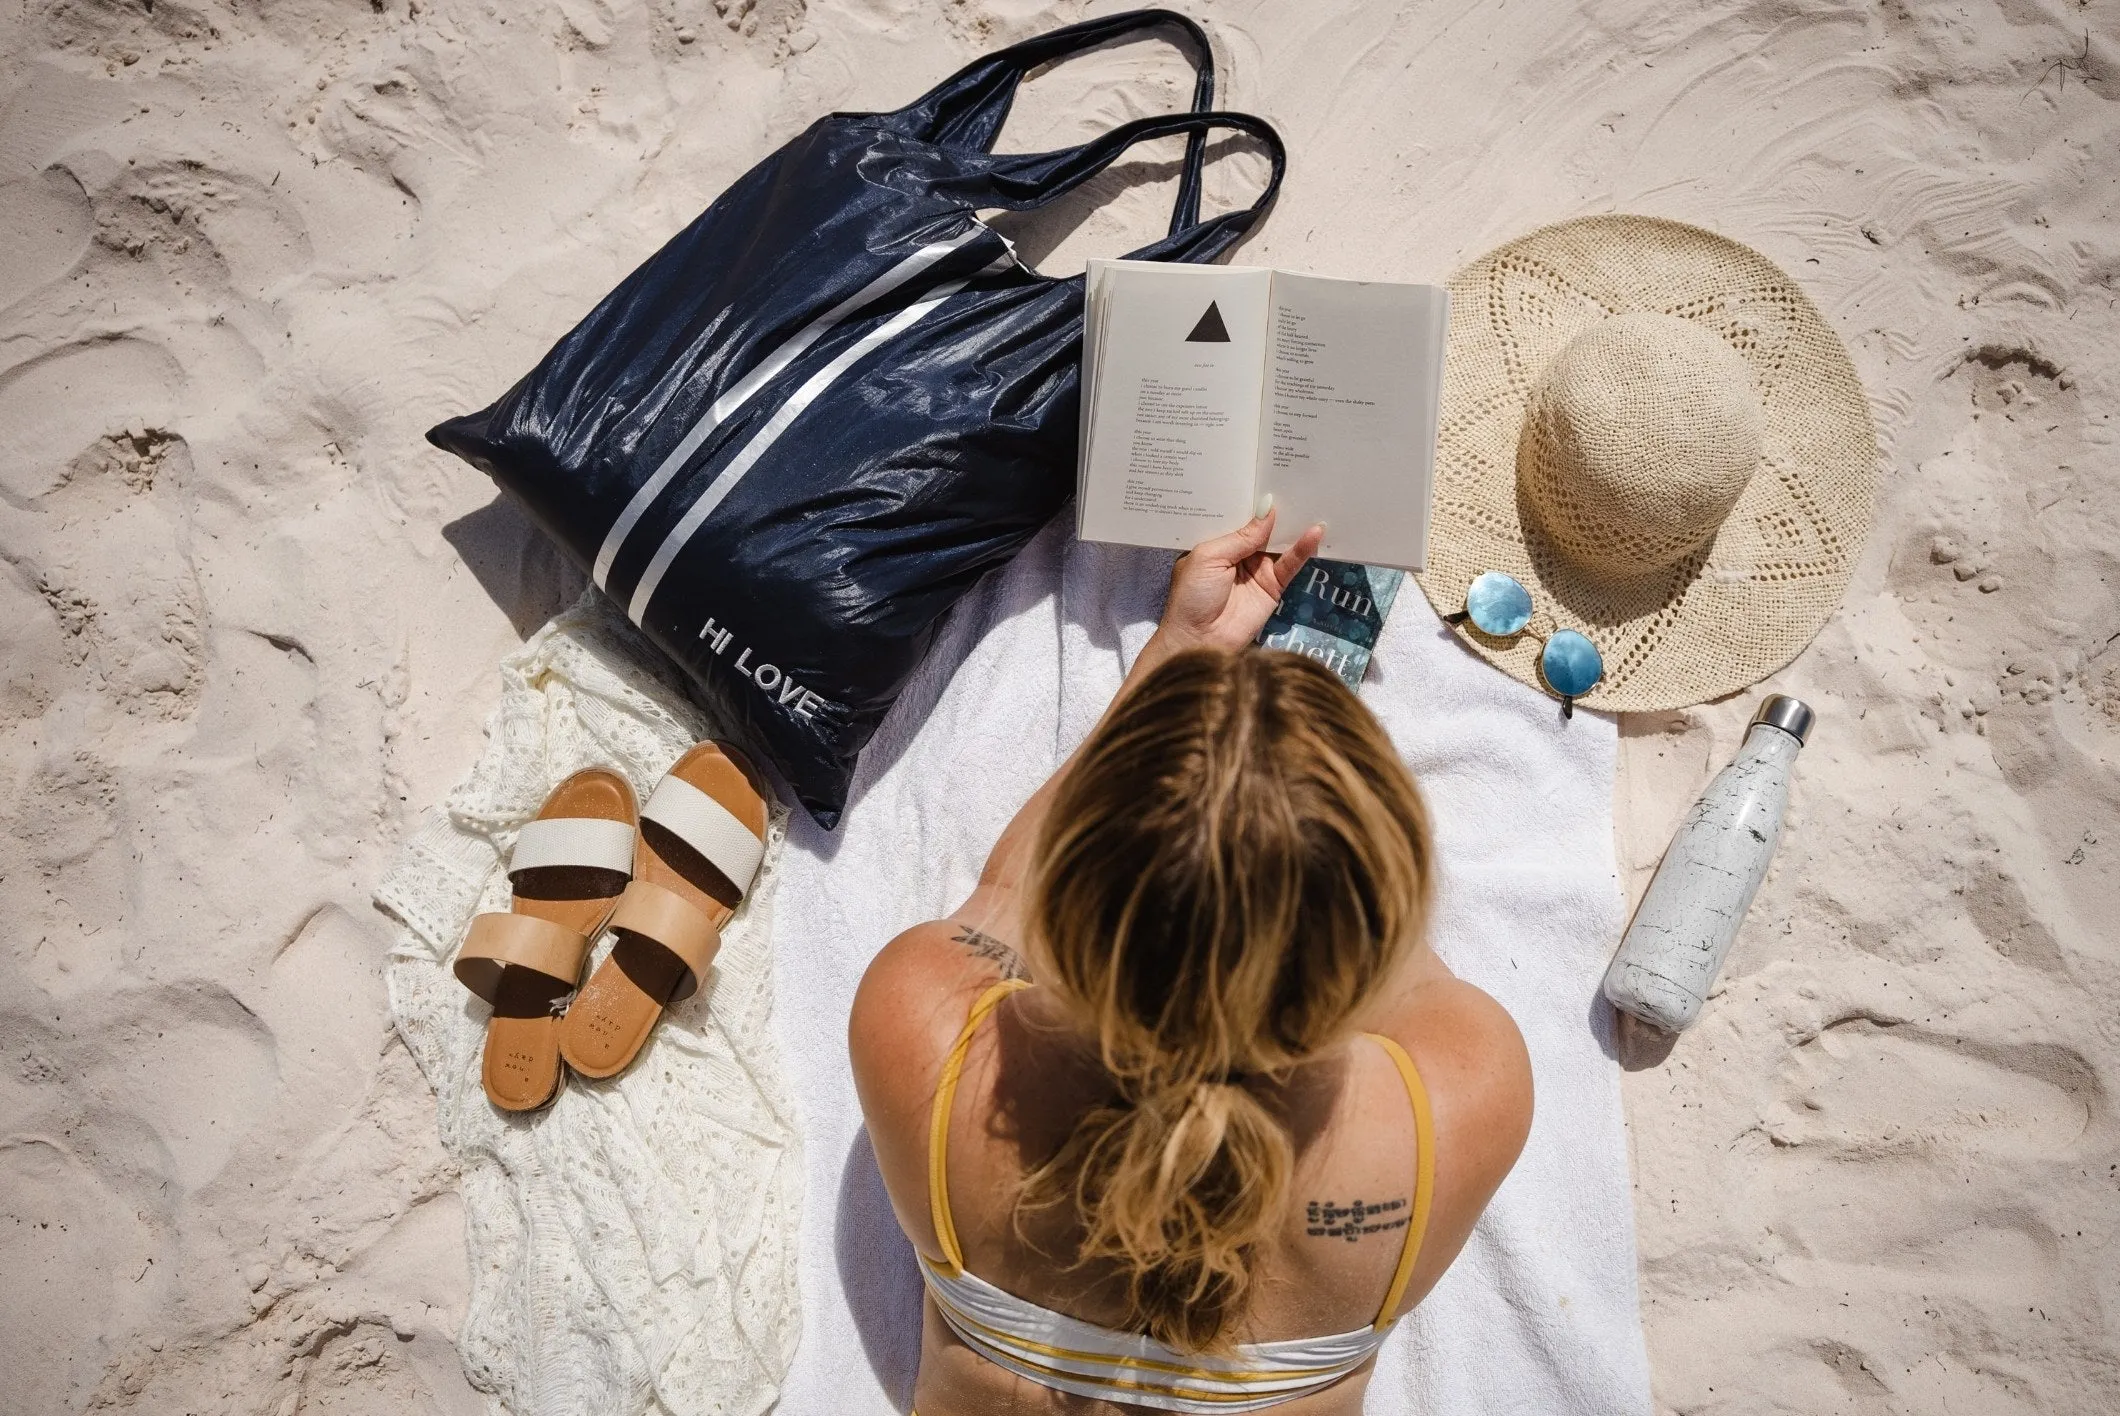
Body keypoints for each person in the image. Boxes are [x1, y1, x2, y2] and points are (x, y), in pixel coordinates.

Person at [851, 512, 1534, 1414]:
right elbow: (1388, 955)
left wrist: (1184, 649)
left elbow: (1010, 892)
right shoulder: (1463, 1096)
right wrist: (1311, 815)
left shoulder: (926, 1029)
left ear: (1073, 904)